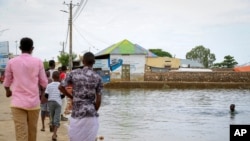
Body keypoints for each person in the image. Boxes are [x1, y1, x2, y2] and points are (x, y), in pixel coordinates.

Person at [3, 37, 48, 141]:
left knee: (21, 132)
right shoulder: (38, 62)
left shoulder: (12, 62)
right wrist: (42, 95)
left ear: (20, 48)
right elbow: (44, 83)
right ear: (32, 48)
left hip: (17, 103)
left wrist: (8, 91)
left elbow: (6, 82)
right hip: (33, 103)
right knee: (32, 132)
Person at [59, 52, 103, 141]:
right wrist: (93, 110)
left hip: (77, 114)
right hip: (91, 115)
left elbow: (61, 87)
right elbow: (98, 100)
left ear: (83, 61)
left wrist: (71, 97)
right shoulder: (98, 77)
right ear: (94, 62)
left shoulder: (73, 73)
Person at [45, 71, 64, 140]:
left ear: (52, 77)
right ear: (59, 77)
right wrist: (58, 97)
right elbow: (62, 95)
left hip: (50, 102)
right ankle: (54, 134)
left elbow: (46, 95)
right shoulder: (60, 85)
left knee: (52, 116)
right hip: (58, 103)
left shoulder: (49, 85)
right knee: (57, 119)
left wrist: (51, 97)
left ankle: (51, 123)